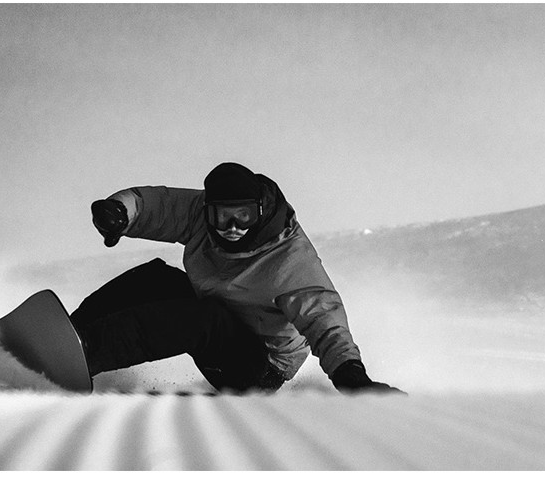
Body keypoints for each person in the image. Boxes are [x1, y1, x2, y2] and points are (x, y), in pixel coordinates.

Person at [70, 161, 402, 395]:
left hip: (259, 368)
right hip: (222, 322)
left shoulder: (288, 258)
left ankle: (85, 355)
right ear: (208, 211)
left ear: (260, 210)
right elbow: (156, 206)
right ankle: (70, 334)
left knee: (204, 319)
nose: (232, 227)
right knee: (156, 278)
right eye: (222, 216)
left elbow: (323, 319)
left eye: (244, 216)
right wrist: (119, 212)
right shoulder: (198, 215)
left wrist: (350, 376)